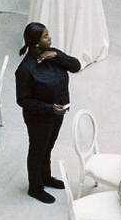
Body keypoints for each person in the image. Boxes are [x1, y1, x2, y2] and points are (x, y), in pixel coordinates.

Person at [15, 22, 80, 203]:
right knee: (37, 150)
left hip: (57, 113)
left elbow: (76, 66)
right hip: (39, 118)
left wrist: (57, 56)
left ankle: (46, 177)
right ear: (35, 43)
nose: (50, 38)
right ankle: (35, 187)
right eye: (45, 36)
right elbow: (23, 100)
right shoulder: (25, 69)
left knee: (48, 147)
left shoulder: (53, 54)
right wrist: (48, 108)